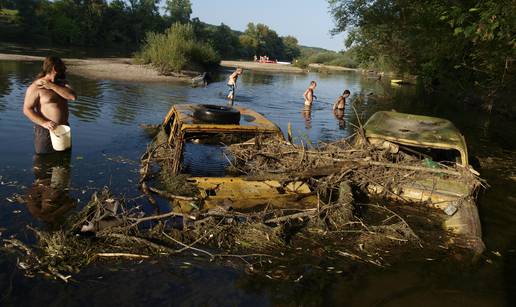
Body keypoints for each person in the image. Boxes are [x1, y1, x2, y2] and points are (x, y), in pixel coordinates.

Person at [23, 56, 77, 154]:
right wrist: (44, 123)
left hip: (64, 130)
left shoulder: (63, 84)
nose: (65, 69)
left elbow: (72, 97)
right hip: (45, 131)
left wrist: (52, 86)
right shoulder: (35, 87)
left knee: (64, 162)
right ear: (55, 69)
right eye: (63, 66)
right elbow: (27, 109)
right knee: (43, 163)